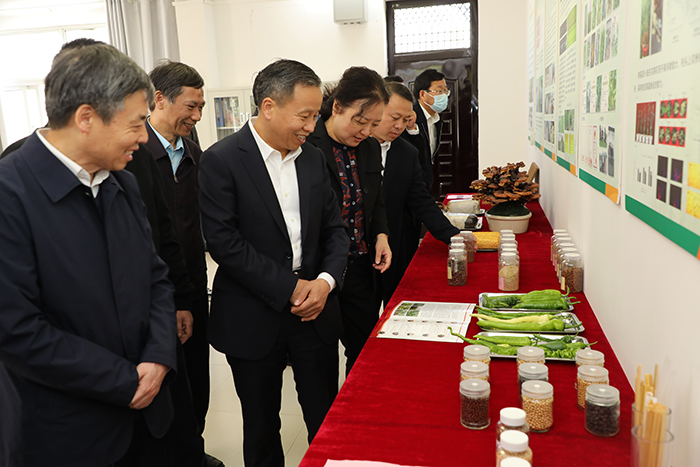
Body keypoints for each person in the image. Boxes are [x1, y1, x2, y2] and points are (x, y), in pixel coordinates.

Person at [0, 43, 176, 467]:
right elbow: (17, 329)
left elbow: (155, 278)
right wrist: (125, 380)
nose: (144, 137)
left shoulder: (122, 182)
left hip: (147, 418)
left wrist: (158, 355)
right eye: (136, 123)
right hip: (66, 432)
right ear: (86, 118)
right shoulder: (10, 195)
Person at [198, 59, 349, 467]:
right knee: (261, 427)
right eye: (304, 115)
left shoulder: (312, 158)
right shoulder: (221, 160)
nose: (312, 126)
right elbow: (224, 243)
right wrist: (290, 287)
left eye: (316, 116)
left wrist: (325, 282)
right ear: (269, 107)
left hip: (315, 310)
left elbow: (335, 230)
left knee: (326, 420)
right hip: (252, 315)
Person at [307, 66, 391, 373]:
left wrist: (381, 235)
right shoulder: (307, 145)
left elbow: (375, 199)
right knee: (321, 359)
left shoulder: (369, 148)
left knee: (363, 355)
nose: (365, 131)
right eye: (359, 120)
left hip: (359, 267)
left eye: (374, 124)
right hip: (319, 271)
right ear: (337, 107)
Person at [145, 60, 212, 437]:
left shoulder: (195, 156)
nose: (198, 116)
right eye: (191, 106)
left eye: (201, 107)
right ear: (160, 99)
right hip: (153, 295)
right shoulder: (133, 155)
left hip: (192, 287)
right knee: (163, 385)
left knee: (197, 380)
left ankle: (194, 448)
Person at [372, 82, 460, 305]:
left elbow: (420, 199)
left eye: (405, 119)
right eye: (394, 118)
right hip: (356, 251)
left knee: (393, 302)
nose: (399, 126)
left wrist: (452, 235)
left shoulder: (406, 152)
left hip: (393, 241)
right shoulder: (355, 146)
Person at [404, 69, 450, 191]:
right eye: (439, 91)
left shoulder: (437, 119)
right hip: (410, 182)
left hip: (426, 180)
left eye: (445, 91)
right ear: (423, 94)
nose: (444, 95)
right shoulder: (409, 118)